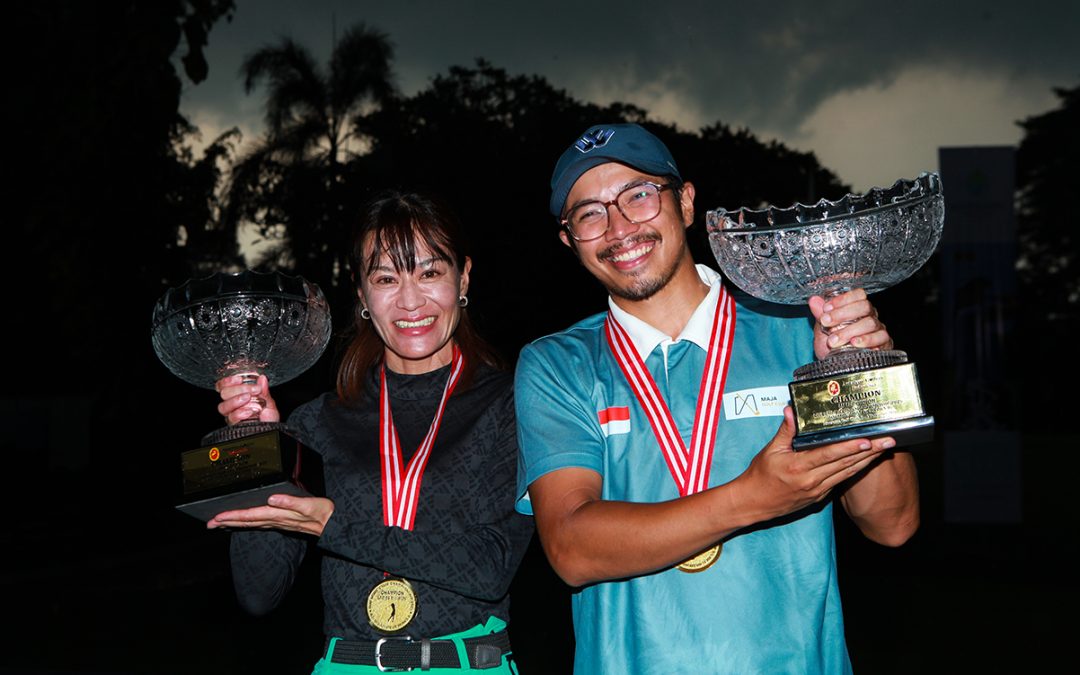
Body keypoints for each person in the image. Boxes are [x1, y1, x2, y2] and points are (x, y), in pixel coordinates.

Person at [513, 123, 919, 674]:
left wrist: (858, 375)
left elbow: (891, 524)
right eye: (589, 213)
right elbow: (572, 549)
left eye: (638, 195)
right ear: (569, 239)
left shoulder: (798, 328)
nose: (619, 228)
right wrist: (755, 496)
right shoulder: (559, 364)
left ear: (684, 202)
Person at [207, 191, 535, 674]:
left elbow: (489, 566)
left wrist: (332, 526)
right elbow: (259, 594)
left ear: (463, 277)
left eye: (429, 272)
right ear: (361, 294)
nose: (409, 301)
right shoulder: (316, 421)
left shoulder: (512, 403)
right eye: (385, 278)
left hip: (467, 663)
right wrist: (261, 449)